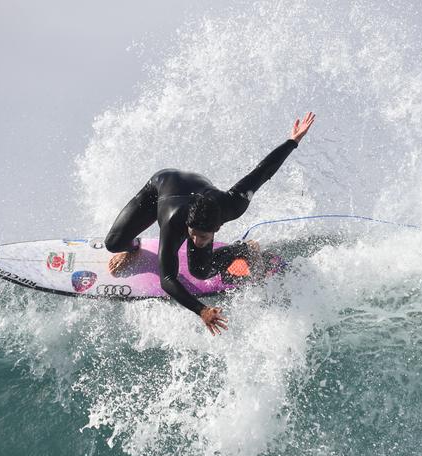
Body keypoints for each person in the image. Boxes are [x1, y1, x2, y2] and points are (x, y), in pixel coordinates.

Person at [105, 112, 316, 336]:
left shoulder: (233, 204)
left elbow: (262, 173)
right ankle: (132, 247)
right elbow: (167, 278)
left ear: (217, 228)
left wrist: (293, 142)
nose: (195, 240)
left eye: (203, 237)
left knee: (201, 271)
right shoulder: (172, 221)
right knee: (114, 243)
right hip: (161, 186)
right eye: (193, 234)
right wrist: (202, 310)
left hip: (201, 193)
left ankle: (244, 249)